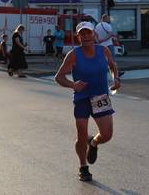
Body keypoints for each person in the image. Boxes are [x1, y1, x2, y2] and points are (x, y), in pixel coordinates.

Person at [55, 21, 120, 181]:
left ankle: (94, 143)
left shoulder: (103, 51)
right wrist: (73, 85)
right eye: (82, 34)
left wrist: (116, 78)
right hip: (82, 99)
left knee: (107, 135)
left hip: (100, 97)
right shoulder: (73, 55)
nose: (86, 36)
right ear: (78, 37)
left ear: (94, 35)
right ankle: (83, 167)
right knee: (81, 134)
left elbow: (113, 66)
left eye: (88, 33)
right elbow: (59, 77)